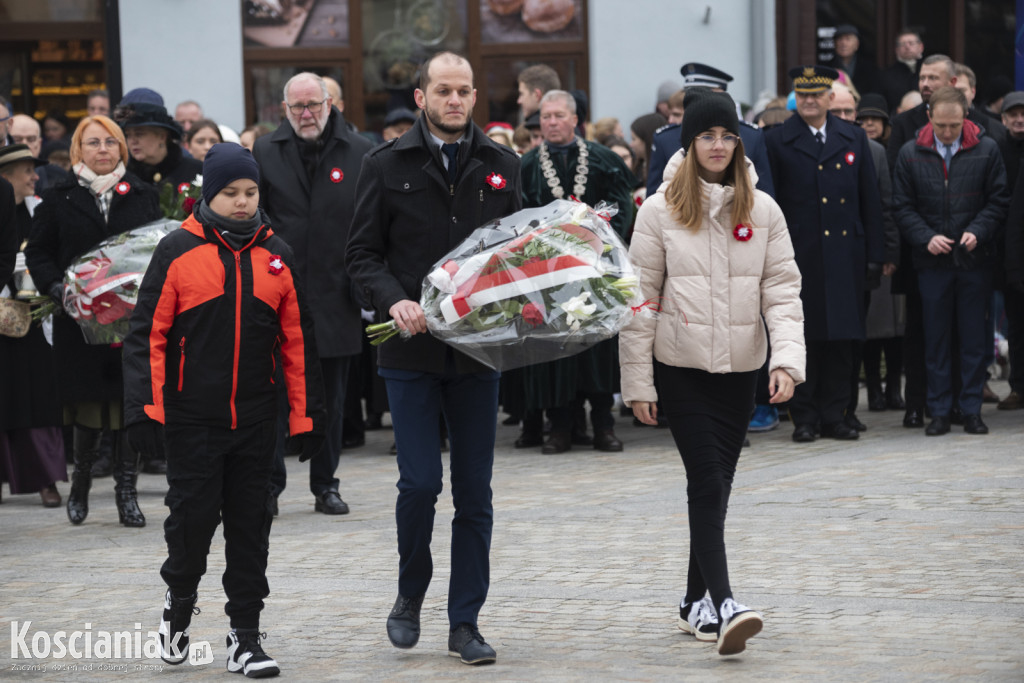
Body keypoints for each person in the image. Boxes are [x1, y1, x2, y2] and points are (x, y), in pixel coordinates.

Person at [122, 143, 325, 676]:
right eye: (230, 193)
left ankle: (245, 639)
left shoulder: (275, 255)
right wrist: (145, 409)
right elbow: (148, 336)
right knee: (190, 528)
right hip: (194, 421)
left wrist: (304, 418)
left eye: (250, 192)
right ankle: (178, 613)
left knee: (250, 527)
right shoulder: (176, 251)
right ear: (208, 194)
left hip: (257, 421)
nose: (241, 202)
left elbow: (297, 342)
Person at [346, 50, 521, 665]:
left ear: (475, 98)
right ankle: (408, 594)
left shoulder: (502, 164)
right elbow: (361, 255)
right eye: (442, 90)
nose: (454, 100)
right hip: (410, 352)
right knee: (419, 484)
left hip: (475, 357)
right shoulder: (384, 163)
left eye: (464, 91)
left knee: (475, 494)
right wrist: (394, 301)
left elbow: (520, 258)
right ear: (420, 97)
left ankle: (465, 622)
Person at [620, 93, 805, 656]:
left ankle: (689, 603)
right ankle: (725, 604)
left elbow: (782, 291)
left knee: (717, 489)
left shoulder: (764, 210)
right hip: (680, 369)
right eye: (707, 136)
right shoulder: (658, 211)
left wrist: (786, 361)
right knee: (705, 481)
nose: (718, 146)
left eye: (727, 135)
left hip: (741, 370)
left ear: (739, 142)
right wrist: (638, 384)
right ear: (690, 142)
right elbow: (639, 300)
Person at [24, 114, 160, 526]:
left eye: (111, 143)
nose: (103, 150)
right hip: (77, 320)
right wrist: (56, 288)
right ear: (77, 150)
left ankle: (126, 493)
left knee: (126, 405)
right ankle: (80, 482)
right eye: (93, 143)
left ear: (121, 148)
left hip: (128, 322)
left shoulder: (141, 194)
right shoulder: (58, 196)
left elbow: (155, 249)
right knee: (87, 407)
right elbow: (38, 253)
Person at [253, 72, 372, 515]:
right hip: (277, 297)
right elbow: (256, 217)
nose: (306, 114)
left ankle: (326, 484)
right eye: (297, 107)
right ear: (284, 109)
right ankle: (270, 484)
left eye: (314, 105)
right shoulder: (266, 150)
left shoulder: (360, 151)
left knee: (331, 401)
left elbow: (369, 222)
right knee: (274, 397)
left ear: (330, 103)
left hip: (336, 295)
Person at [765, 65, 885, 442]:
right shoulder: (778, 140)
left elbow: (870, 200)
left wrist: (875, 255)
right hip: (799, 256)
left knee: (843, 340)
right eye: (802, 95)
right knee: (805, 337)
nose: (809, 101)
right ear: (795, 98)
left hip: (845, 254)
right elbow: (770, 203)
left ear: (831, 98)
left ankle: (837, 414)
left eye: (816, 94)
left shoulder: (852, 136)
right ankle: (805, 416)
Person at [518, 89, 634, 453]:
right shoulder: (527, 165)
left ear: (574, 120)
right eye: (545, 117)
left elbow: (623, 209)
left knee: (597, 347)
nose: (550, 123)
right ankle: (561, 426)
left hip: (596, 272)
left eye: (558, 116)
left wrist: (598, 241)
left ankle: (603, 423)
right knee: (556, 348)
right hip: (548, 276)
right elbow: (518, 218)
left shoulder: (603, 160)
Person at [892, 86, 1009, 435]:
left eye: (953, 126)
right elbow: (901, 205)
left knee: (974, 340)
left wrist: (978, 230)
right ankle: (940, 410)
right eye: (941, 125)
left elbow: (998, 200)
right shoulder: (911, 153)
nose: (946, 132)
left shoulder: (987, 149)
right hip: (932, 263)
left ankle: (971, 409)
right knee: (936, 340)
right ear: (929, 117)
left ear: (966, 118)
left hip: (974, 261)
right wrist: (926, 237)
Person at [0, 145, 65, 508]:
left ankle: (45, 478)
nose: (34, 176)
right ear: (5, 177)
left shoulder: (39, 211)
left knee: (38, 398)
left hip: (32, 317)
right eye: (26, 170)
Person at [647, 64, 775, 199]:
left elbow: (764, 194)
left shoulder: (751, 136)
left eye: (701, 93)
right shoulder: (665, 138)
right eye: (689, 94)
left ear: (722, 94)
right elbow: (655, 196)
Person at [856, 93, 905, 411]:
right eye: (863, 119)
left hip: (891, 247)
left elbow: (893, 206)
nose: (868, 124)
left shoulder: (894, 153)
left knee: (896, 327)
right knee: (870, 328)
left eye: (875, 119)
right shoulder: (856, 152)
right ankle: (873, 388)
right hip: (865, 250)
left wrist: (892, 250)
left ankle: (894, 389)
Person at [114, 89, 203, 192]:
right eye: (128, 135)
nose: (133, 141)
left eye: (139, 134)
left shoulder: (196, 170)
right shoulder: (122, 176)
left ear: (162, 136)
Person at [9, 114, 68, 193]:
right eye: (17, 139)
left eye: (31, 139)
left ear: (39, 143)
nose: (25, 145)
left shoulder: (58, 175)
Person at [824, 24, 882, 99]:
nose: (843, 43)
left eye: (848, 39)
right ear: (834, 44)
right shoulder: (827, 68)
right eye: (840, 39)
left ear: (857, 44)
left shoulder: (870, 69)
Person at [880, 30, 924, 113]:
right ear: (896, 50)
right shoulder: (886, 75)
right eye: (903, 44)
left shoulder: (929, 70)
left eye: (911, 43)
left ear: (921, 47)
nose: (907, 47)